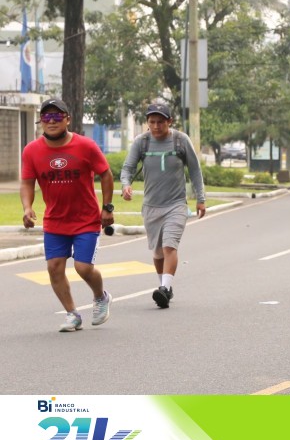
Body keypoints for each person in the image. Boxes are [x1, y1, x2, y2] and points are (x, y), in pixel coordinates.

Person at [20, 99, 114, 332]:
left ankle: (101, 297)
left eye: (57, 116)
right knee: (54, 267)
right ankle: (72, 314)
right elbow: (27, 182)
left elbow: (106, 174)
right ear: (41, 121)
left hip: (86, 219)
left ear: (67, 120)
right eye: (46, 117)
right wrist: (27, 207)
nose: (51, 121)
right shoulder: (31, 151)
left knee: (83, 268)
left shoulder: (86, 146)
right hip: (55, 221)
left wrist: (107, 207)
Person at [120, 103, 206, 309]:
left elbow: (195, 170)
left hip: (176, 204)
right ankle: (164, 287)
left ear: (169, 122)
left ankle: (165, 288)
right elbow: (128, 168)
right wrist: (125, 185)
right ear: (147, 123)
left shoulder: (180, 141)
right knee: (158, 253)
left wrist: (201, 198)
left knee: (169, 246)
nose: (156, 126)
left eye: (160, 122)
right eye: (152, 122)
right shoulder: (142, 142)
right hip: (151, 206)